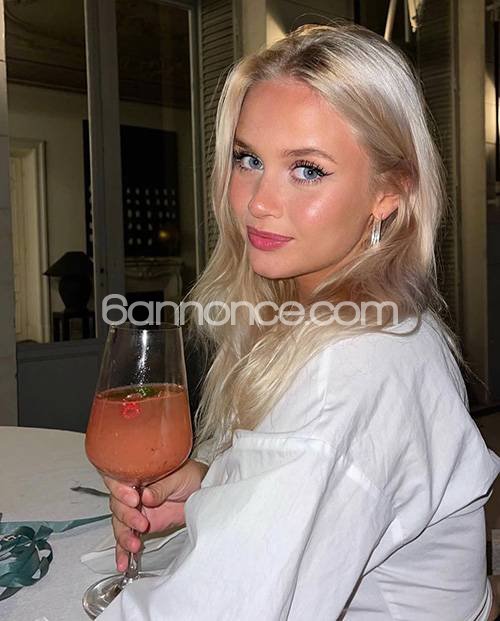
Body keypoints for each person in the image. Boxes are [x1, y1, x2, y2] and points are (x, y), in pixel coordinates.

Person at [99, 23, 500, 620]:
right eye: (248, 159)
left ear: (389, 192)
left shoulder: (349, 370)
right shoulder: (380, 322)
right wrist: (214, 487)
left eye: (307, 169)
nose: (258, 202)